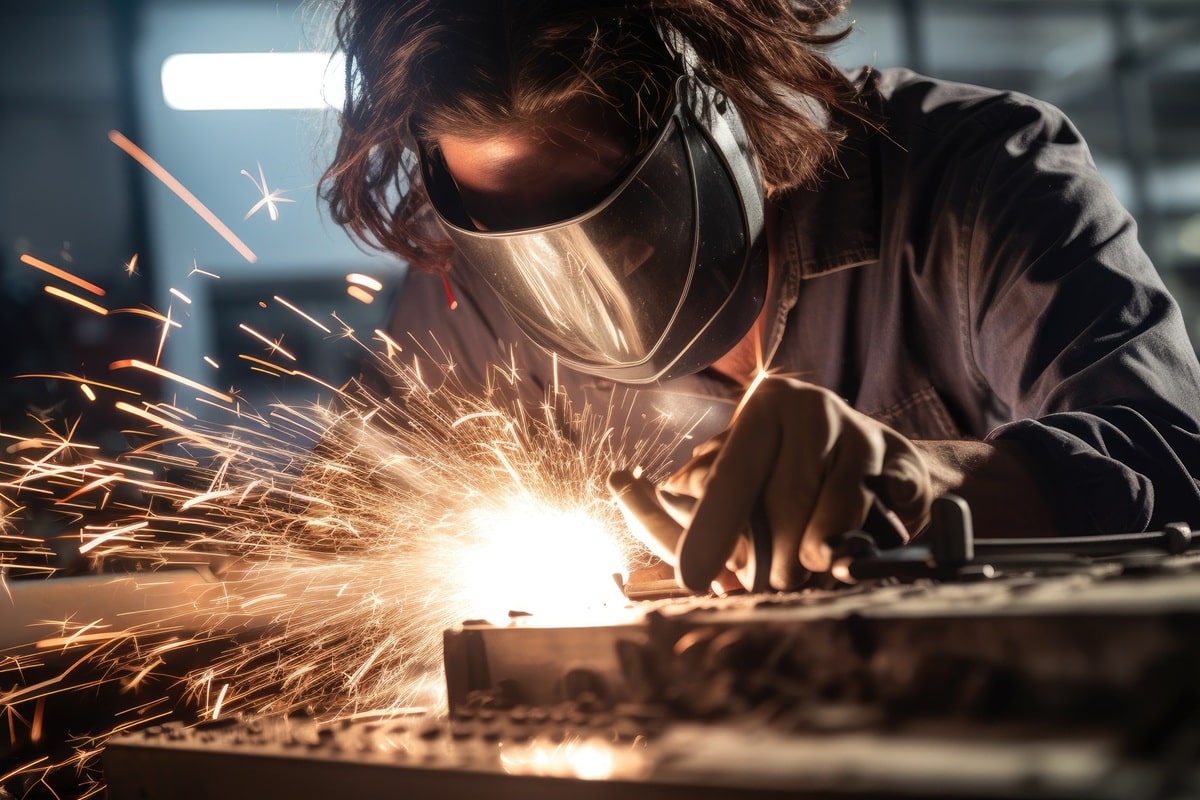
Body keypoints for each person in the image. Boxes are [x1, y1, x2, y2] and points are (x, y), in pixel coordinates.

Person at [320, 0, 1200, 592]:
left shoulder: (977, 179)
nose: (589, 280)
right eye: (522, 237)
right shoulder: (465, 287)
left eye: (620, 217)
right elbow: (345, 532)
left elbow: (1173, 463)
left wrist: (917, 482)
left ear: (718, 116)